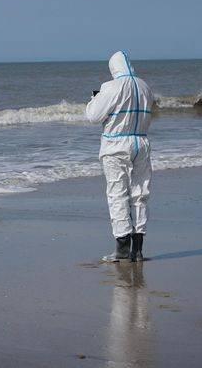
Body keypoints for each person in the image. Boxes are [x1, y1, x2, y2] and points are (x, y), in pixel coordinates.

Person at [85, 51, 153, 262]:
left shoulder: (111, 87)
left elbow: (93, 116)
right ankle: (138, 248)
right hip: (141, 142)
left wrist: (94, 99)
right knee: (140, 192)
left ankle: (122, 248)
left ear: (113, 68)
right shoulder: (145, 86)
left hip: (115, 145)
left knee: (117, 193)